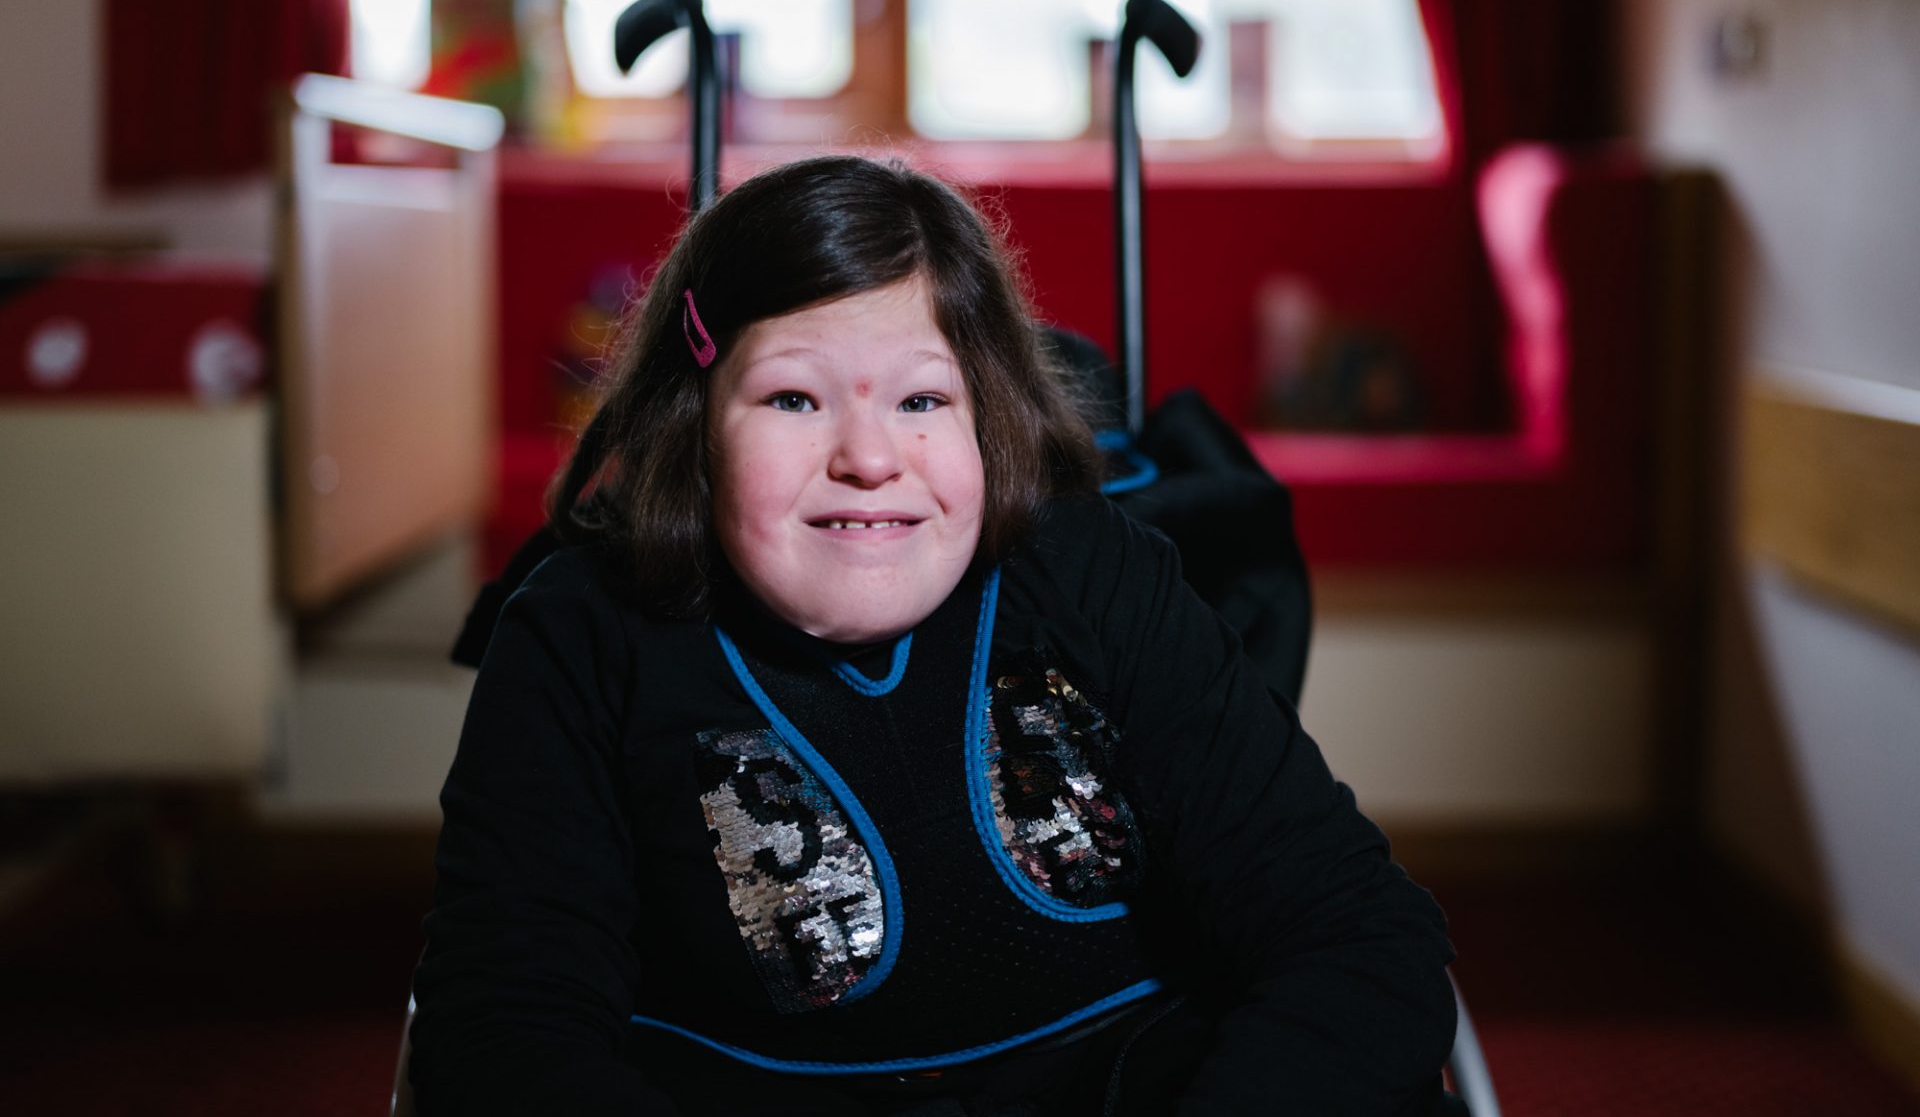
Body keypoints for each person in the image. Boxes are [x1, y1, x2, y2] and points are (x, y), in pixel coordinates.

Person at [410, 155, 1459, 1115]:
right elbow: (508, 1037)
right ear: (694, 425)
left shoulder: (1092, 572)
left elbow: (1359, 937)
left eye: (921, 397)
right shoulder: (580, 638)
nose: (870, 455)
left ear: (987, 420)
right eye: (791, 396)